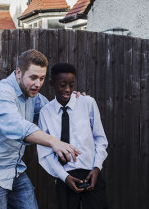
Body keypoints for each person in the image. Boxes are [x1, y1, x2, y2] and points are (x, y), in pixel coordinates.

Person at [0, 50, 81, 209]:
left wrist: (71, 100)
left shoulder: (33, 95)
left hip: (13, 170)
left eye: (42, 78)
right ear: (18, 73)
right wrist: (54, 142)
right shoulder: (2, 93)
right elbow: (17, 127)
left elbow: (51, 112)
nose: (38, 84)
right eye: (33, 77)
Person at [37, 63, 109, 209]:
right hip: (65, 177)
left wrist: (96, 168)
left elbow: (100, 139)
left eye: (71, 84)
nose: (67, 90)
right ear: (52, 84)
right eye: (62, 85)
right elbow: (44, 153)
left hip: (91, 174)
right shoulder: (46, 112)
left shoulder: (88, 103)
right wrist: (64, 177)